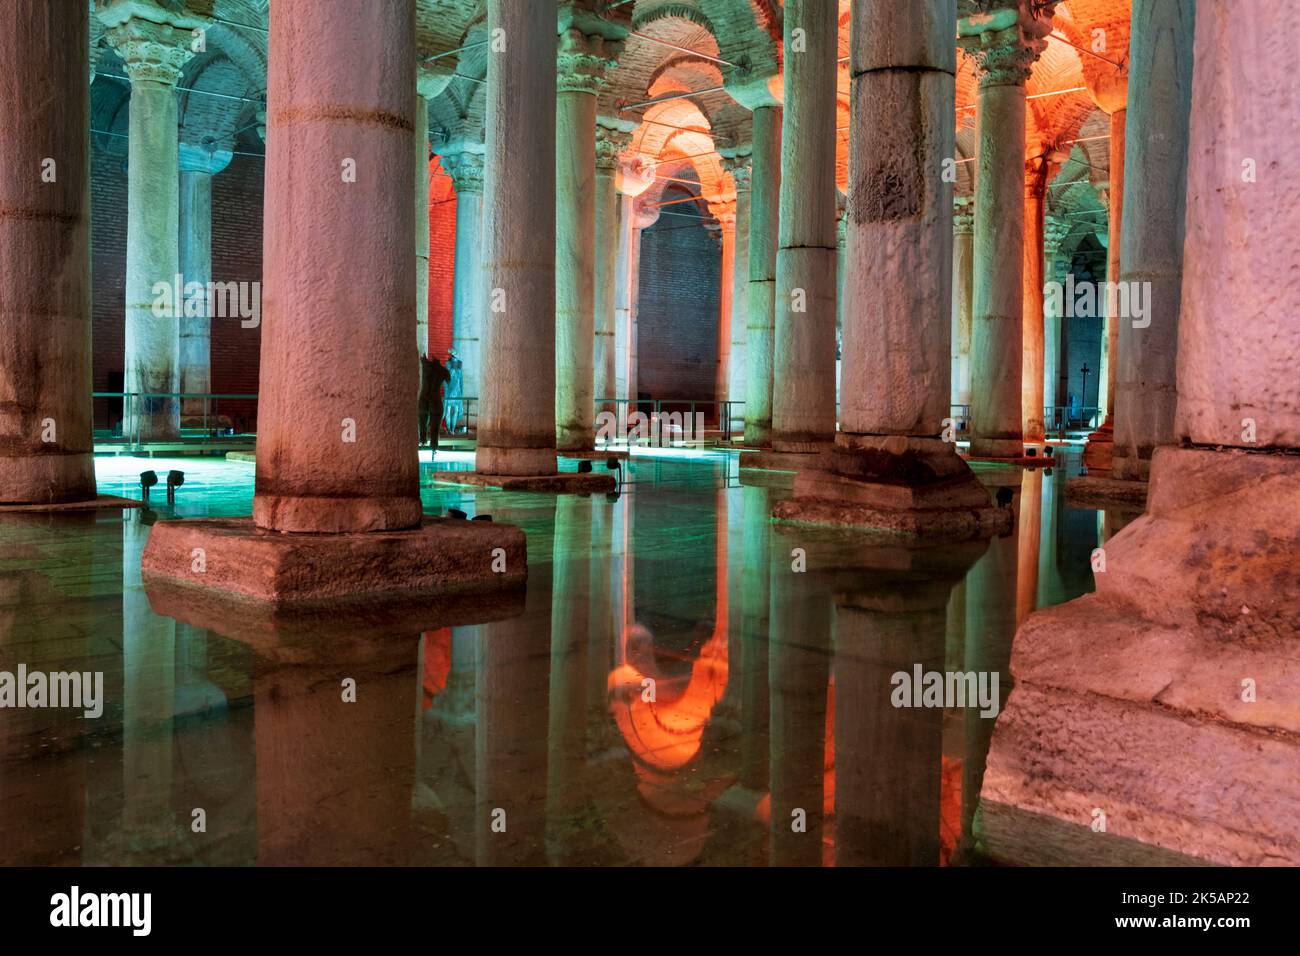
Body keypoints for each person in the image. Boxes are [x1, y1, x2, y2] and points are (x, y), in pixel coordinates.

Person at [418, 352, 450, 452]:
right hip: (435, 400)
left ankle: (422, 439)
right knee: (434, 427)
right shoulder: (443, 371)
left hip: (424, 399)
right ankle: (434, 445)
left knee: (422, 423)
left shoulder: (424, 366)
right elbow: (449, 381)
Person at [443, 346, 464, 435]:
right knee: (451, 410)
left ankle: (451, 429)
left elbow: (461, 379)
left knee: (453, 410)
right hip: (452, 390)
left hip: (454, 391)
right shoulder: (449, 364)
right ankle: (450, 429)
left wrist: (462, 391)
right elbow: (446, 379)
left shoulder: (458, 364)